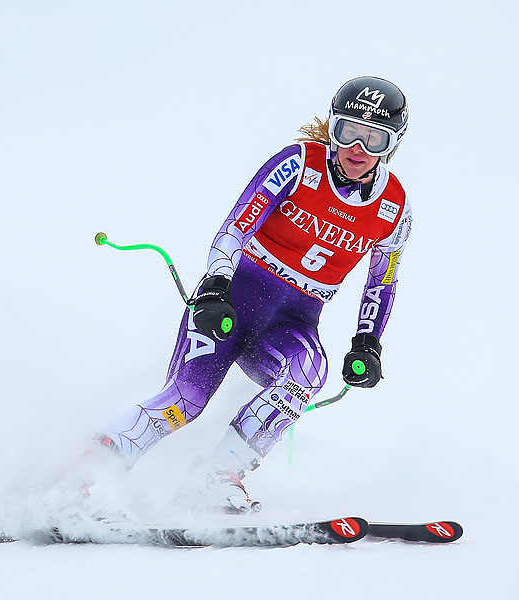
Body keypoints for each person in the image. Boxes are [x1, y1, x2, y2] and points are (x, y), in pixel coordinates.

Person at [92, 76, 412, 513]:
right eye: (347, 131)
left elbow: (383, 280)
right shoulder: (299, 163)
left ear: (391, 145)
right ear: (333, 128)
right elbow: (236, 226)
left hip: (290, 324)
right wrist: (215, 286)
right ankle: (87, 474)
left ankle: (217, 478)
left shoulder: (395, 206)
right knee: (186, 401)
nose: (358, 148)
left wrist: (368, 343)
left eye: (374, 138)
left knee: (308, 370)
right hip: (231, 305)